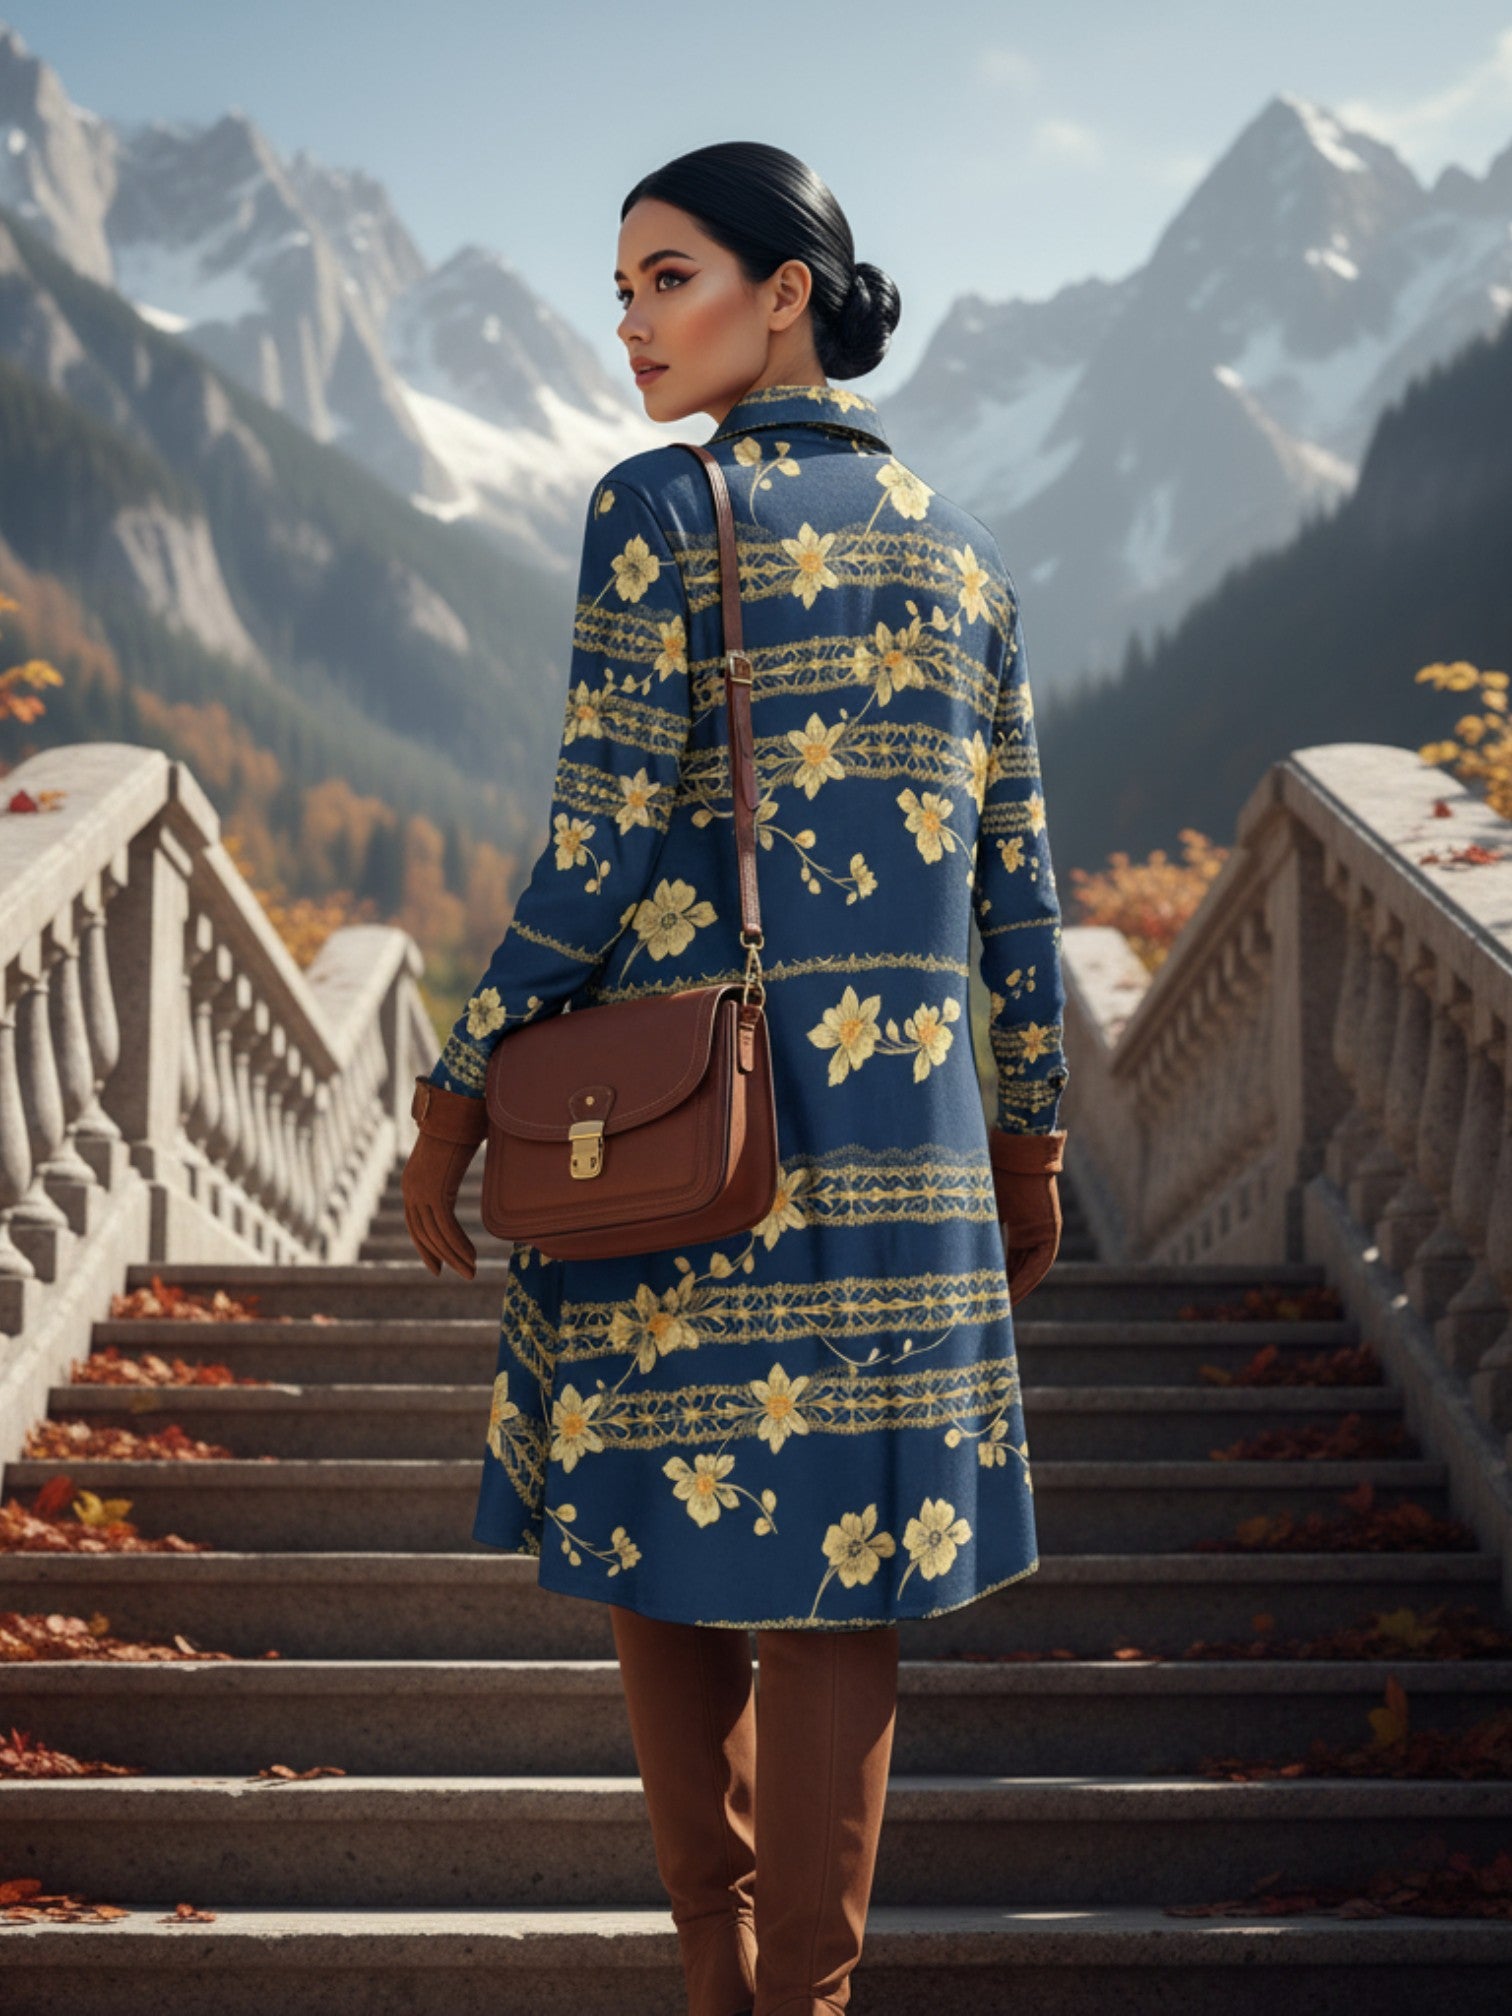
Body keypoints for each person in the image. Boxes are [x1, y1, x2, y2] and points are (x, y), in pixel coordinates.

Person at [403, 140, 1069, 2016]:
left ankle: (718, 1978)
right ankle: (811, 2004)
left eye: (668, 276)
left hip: (687, 1136)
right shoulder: (969, 551)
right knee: (845, 1582)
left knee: (661, 1534)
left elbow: (597, 846)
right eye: (621, 288)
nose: (631, 323)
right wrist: (1027, 1157)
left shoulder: (658, 511)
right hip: (909, 1152)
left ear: (787, 291)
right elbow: (1018, 891)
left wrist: (458, 1091)